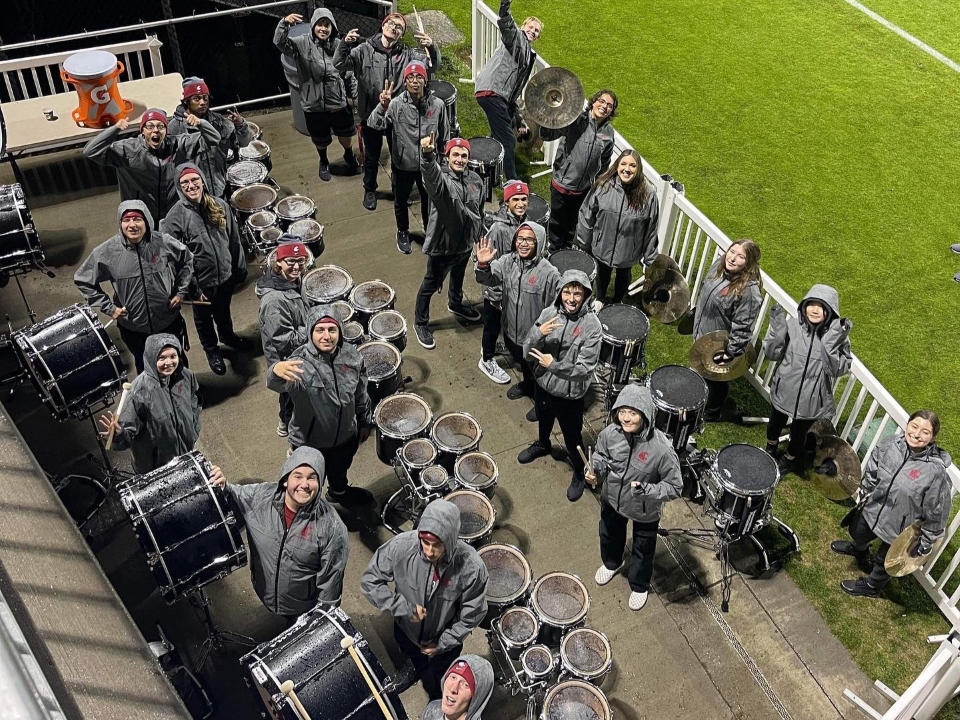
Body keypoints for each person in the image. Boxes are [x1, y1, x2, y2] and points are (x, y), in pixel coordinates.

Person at [360, 499, 488, 700]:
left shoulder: (471, 569)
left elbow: (472, 615)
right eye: (425, 542)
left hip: (444, 642)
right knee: (413, 654)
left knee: (441, 677)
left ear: (451, 540)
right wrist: (402, 608)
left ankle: (440, 696)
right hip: (405, 630)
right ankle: (414, 668)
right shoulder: (401, 547)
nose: (429, 551)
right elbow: (370, 581)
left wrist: (443, 643)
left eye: (437, 545)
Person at [212, 447, 349, 624]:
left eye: (312, 477)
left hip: (301, 608)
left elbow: (330, 588)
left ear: (320, 483)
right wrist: (222, 484)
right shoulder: (260, 498)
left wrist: (321, 623)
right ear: (286, 480)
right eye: (298, 476)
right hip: (265, 592)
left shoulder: (332, 528)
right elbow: (233, 493)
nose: (305, 484)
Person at [831, 410, 952, 598]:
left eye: (925, 432)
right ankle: (859, 550)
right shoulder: (890, 444)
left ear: (933, 438)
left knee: (884, 559)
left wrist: (927, 541)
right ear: (907, 425)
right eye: (914, 426)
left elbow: (937, 511)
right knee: (858, 531)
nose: (917, 434)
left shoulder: (935, 473)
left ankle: (872, 586)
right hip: (875, 507)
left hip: (900, 525)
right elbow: (874, 466)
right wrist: (867, 487)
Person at [267, 304, 375, 507]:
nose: (326, 336)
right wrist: (275, 370)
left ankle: (339, 492)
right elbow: (277, 383)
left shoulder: (352, 357)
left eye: (332, 330)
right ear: (310, 332)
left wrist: (364, 421)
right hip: (310, 444)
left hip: (345, 437)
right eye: (320, 330)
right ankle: (310, 511)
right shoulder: (298, 363)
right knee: (307, 488)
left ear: (340, 332)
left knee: (340, 470)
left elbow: (360, 393)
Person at [586, 385, 682, 610]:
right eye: (622, 411)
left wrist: (647, 491)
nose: (626, 418)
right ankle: (612, 562)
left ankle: (639, 585)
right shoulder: (611, 433)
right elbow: (600, 455)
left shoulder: (662, 450)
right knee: (609, 534)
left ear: (645, 415)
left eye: (633, 413)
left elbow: (675, 486)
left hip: (645, 510)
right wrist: (593, 470)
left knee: (643, 548)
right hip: (612, 499)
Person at [335, 12, 439, 211]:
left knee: (398, 157)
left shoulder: (408, 54)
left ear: (401, 35)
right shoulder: (363, 50)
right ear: (383, 26)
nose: (394, 27)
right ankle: (370, 189)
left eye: (399, 27)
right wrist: (344, 44)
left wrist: (431, 48)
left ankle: (398, 190)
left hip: (397, 116)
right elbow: (339, 64)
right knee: (372, 156)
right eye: (391, 23)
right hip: (370, 114)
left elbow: (431, 67)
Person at [74, 200, 193, 374]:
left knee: (177, 363)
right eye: (127, 220)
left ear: (147, 221)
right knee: (146, 368)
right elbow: (83, 279)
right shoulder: (107, 251)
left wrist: (181, 291)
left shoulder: (162, 242)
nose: (132, 225)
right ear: (120, 224)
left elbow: (187, 259)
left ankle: (187, 396)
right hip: (134, 328)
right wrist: (109, 308)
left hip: (167, 321)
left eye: (137, 219)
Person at [519, 270, 602, 501]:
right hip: (544, 385)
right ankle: (543, 444)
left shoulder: (592, 326)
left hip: (570, 395)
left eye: (578, 293)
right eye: (567, 291)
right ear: (560, 292)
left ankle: (579, 471)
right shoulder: (549, 313)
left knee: (572, 437)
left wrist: (553, 365)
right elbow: (527, 352)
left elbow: (585, 369)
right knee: (544, 419)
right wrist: (537, 332)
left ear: (586, 295)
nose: (572, 298)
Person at [160, 164, 250, 376]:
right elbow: (175, 261)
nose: (191, 186)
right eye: (185, 183)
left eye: (194, 180)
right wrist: (191, 287)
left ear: (202, 181)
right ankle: (212, 350)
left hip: (225, 275)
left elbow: (234, 238)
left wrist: (239, 267)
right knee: (203, 320)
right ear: (179, 187)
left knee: (223, 310)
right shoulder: (174, 218)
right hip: (200, 284)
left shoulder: (219, 205)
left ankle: (227, 336)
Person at [761, 285, 853, 474]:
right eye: (812, 304)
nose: (815, 309)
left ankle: (789, 458)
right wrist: (777, 331)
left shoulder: (838, 338)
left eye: (822, 306)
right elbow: (772, 353)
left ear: (831, 312)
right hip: (785, 388)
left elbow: (837, 369)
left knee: (798, 434)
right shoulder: (792, 326)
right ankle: (771, 447)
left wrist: (829, 345)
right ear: (804, 305)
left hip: (811, 399)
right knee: (775, 423)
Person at [83, 109, 221, 226]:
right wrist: (115, 129)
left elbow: (214, 139)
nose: (155, 130)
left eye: (161, 126)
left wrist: (201, 124)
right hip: (141, 215)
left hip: (172, 214)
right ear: (142, 130)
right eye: (150, 126)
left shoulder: (177, 145)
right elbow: (90, 151)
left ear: (166, 131)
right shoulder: (128, 149)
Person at [475, 222, 559, 411]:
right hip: (511, 332)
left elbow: (556, 308)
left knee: (538, 372)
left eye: (530, 239)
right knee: (522, 363)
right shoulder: (507, 262)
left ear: (539, 243)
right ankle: (527, 386)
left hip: (535, 338)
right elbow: (486, 279)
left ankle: (542, 405)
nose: (523, 243)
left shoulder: (549, 273)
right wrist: (483, 264)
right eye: (520, 238)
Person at [366, 60, 448, 254]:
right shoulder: (395, 105)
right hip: (402, 165)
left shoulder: (438, 106)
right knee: (401, 200)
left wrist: (443, 162)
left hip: (428, 165)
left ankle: (430, 233)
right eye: (410, 77)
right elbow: (373, 125)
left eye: (419, 76)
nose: (414, 81)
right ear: (405, 81)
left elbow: (445, 136)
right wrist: (382, 107)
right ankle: (403, 231)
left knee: (430, 200)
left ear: (425, 80)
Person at [414, 135, 485, 350]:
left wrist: (477, 237)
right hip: (442, 248)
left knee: (458, 277)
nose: (460, 159)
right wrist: (427, 155)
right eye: (456, 155)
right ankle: (421, 322)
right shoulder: (442, 181)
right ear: (447, 157)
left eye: (464, 156)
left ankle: (455, 303)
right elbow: (431, 176)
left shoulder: (476, 181)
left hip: (464, 245)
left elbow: (478, 212)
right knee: (430, 285)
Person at [275, 9, 360, 182]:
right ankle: (323, 161)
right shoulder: (301, 43)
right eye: (320, 24)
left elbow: (349, 70)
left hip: (337, 101)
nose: (323, 29)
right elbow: (280, 43)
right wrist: (284, 23)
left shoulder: (338, 44)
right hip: (312, 103)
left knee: (346, 132)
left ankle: (349, 154)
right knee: (320, 137)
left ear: (332, 27)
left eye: (327, 25)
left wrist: (347, 44)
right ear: (313, 25)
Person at [97, 333, 200, 475]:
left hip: (185, 455)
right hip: (156, 468)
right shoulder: (138, 392)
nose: (169, 362)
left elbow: (194, 400)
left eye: (173, 356)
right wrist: (118, 435)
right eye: (162, 358)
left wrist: (194, 429)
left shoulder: (187, 376)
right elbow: (126, 434)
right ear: (151, 359)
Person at [691, 239, 763, 421]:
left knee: (717, 380)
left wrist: (730, 352)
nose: (732, 258)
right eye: (732, 252)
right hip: (703, 336)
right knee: (703, 373)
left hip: (720, 346)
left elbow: (743, 327)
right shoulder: (720, 266)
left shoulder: (749, 293)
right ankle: (701, 399)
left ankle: (712, 411)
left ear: (749, 263)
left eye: (741, 257)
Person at [578, 148, 660, 303]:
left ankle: (617, 302)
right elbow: (587, 213)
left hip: (628, 253)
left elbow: (651, 229)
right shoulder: (603, 186)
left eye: (632, 166)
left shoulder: (648, 195)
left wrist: (650, 260)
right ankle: (600, 299)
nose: (627, 169)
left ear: (639, 169)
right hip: (602, 247)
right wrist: (585, 241)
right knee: (602, 274)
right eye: (623, 164)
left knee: (623, 277)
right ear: (617, 165)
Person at [473, 0, 542, 183]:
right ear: (523, 26)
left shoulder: (527, 53)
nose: (533, 31)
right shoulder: (517, 38)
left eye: (537, 31)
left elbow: (512, 99)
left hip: (497, 96)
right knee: (509, 141)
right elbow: (505, 22)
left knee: (499, 134)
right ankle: (513, 183)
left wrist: (520, 121)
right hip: (492, 93)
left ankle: (485, 172)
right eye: (531, 27)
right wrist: (505, 6)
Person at [541, 89, 617, 253]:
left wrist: (596, 183)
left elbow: (605, 162)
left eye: (609, 105)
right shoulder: (576, 119)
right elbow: (548, 134)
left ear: (612, 111)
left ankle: (566, 253)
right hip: (562, 182)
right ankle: (553, 252)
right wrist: (547, 114)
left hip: (583, 189)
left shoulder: (609, 134)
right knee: (556, 222)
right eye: (602, 101)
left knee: (571, 225)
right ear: (594, 101)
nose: (604, 107)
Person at [474, 180, 535, 384]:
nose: (520, 203)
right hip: (498, 292)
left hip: (515, 289)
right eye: (515, 199)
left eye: (523, 199)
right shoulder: (499, 229)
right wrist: (496, 295)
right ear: (506, 202)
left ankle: (492, 348)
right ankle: (487, 359)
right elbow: (488, 263)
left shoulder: (526, 223)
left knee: (503, 324)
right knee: (491, 325)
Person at [167, 77, 254, 199]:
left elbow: (243, 143)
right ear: (187, 101)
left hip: (219, 190)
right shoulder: (175, 127)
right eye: (196, 98)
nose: (202, 102)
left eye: (205, 98)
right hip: (191, 194)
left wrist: (240, 125)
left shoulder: (218, 122)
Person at [257, 238, 309, 438]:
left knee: (289, 395)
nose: (297, 267)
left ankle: (284, 420)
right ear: (279, 262)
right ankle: (289, 432)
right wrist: (311, 329)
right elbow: (284, 340)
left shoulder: (293, 281)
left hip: (297, 353)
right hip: (286, 360)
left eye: (301, 261)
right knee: (291, 398)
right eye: (291, 261)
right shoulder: (273, 301)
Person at [422, 655, 494, 720]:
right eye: (453, 677)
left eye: (465, 685)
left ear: (476, 697)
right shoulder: (432, 709)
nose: (453, 689)